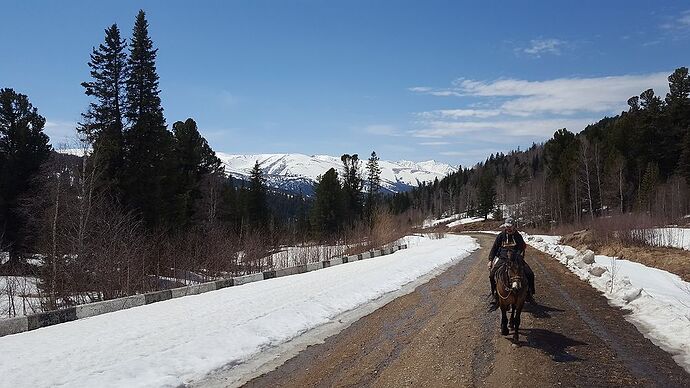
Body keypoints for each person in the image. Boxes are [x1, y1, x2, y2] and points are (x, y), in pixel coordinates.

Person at [487, 217, 535, 303]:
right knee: (492, 275)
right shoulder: (501, 236)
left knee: (530, 274)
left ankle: (529, 293)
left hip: (516, 259)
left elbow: (521, 248)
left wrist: (516, 255)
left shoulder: (518, 236)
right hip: (503, 258)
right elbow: (494, 248)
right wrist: (491, 260)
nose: (508, 228)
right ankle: (495, 293)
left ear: (513, 226)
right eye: (506, 226)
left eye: (509, 226)